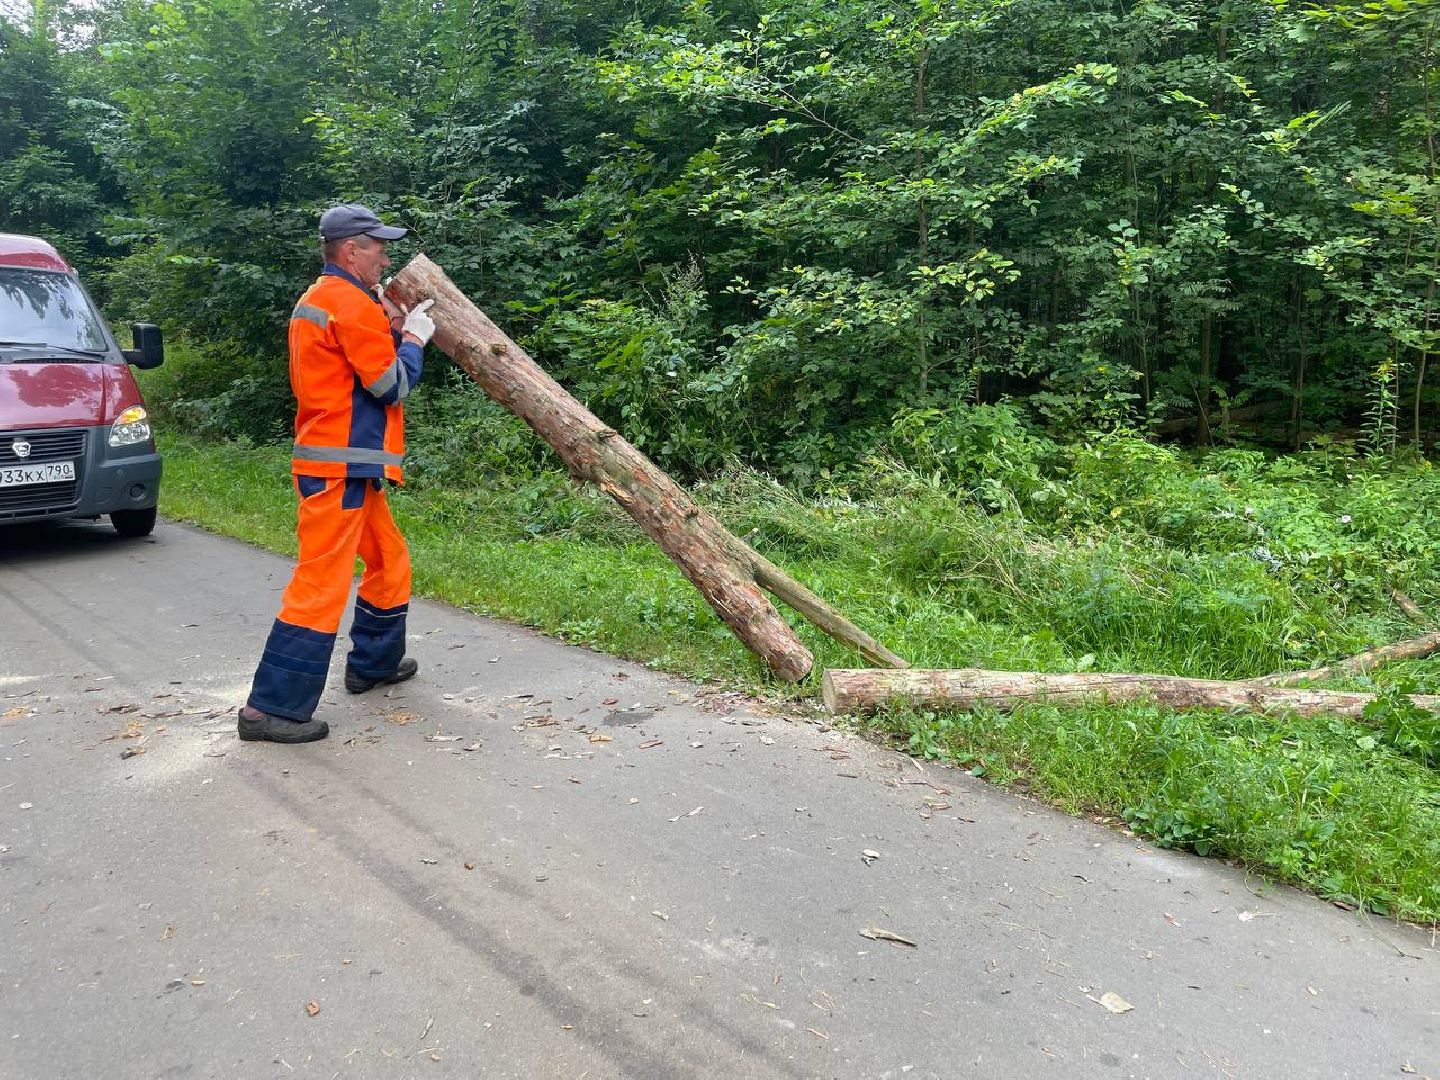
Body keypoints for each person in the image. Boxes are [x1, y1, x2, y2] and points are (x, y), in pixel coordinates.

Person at [238, 203, 436, 744]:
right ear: (351, 250)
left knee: (389, 560)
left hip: (348, 464)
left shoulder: (326, 299)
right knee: (321, 581)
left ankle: (373, 664)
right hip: (339, 468)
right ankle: (268, 710)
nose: (386, 257)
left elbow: (361, 371)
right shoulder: (346, 302)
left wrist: (393, 330)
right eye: (379, 247)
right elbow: (390, 386)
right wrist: (415, 340)